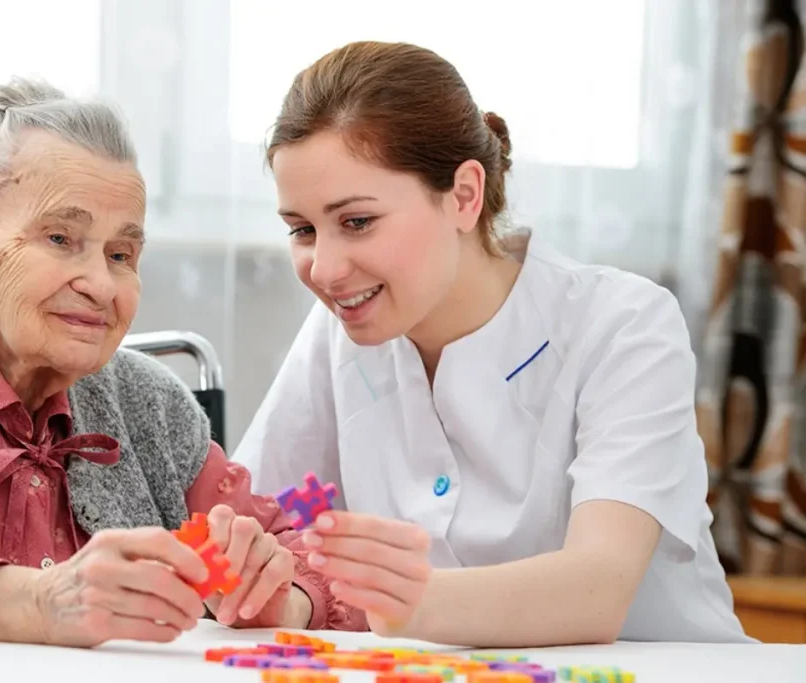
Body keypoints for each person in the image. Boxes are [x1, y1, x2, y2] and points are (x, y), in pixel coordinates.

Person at [0, 78, 370, 646]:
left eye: (121, 254)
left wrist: (281, 594)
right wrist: (31, 600)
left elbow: (306, 557)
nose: (100, 284)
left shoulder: (153, 409)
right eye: (60, 238)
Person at [233, 41, 752, 646]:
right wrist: (266, 585)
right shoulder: (340, 330)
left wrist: (402, 601)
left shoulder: (624, 324)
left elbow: (596, 590)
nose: (323, 269)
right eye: (301, 229)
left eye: (356, 222)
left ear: (463, 195)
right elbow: (262, 521)